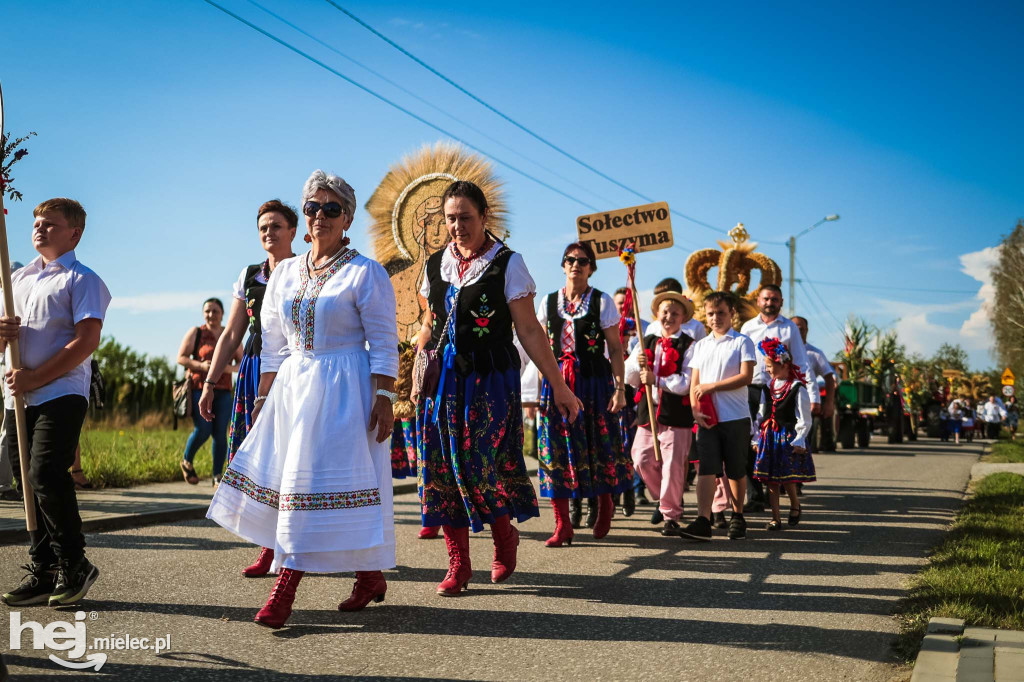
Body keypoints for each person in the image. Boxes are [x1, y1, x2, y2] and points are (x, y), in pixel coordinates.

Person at [206, 170, 400, 628]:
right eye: (313, 208)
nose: (320, 217)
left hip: (344, 388)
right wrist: (263, 398)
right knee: (305, 484)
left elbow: (384, 341)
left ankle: (284, 589)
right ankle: (369, 576)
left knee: (310, 485)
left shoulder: (364, 272)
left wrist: (386, 397)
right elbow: (272, 344)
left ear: (347, 217)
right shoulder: (287, 272)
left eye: (332, 209)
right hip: (294, 387)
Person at [415, 180, 581, 595]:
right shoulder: (434, 265)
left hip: (491, 379)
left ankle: (503, 534)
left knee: (479, 463)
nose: (457, 226)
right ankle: (458, 563)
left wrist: (557, 384)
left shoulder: (508, 263)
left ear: (484, 217)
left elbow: (529, 329)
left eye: (465, 218)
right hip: (446, 383)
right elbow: (429, 324)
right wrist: (418, 368)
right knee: (443, 467)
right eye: (450, 218)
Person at [0, 198, 110, 607]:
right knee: (27, 485)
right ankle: (44, 571)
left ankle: (74, 564)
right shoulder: (16, 280)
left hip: (60, 392)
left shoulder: (83, 279)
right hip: (17, 397)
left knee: (46, 472)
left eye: (51, 224)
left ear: (74, 233)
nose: (40, 228)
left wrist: (36, 376)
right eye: (38, 222)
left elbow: (86, 341)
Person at [198, 199, 297, 577]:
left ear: (293, 231)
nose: (269, 233)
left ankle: (292, 546)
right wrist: (210, 382)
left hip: (291, 372)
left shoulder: (304, 271)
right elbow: (231, 334)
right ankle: (268, 546)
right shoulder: (250, 275)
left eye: (276, 226)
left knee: (289, 459)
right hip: (254, 370)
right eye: (263, 228)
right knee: (260, 461)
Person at [536, 241, 630, 546]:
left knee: (598, 446)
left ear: (591, 267)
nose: (576, 264)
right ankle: (563, 524)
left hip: (593, 384)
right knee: (556, 450)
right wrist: (542, 390)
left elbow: (615, 349)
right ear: (563, 264)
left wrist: (619, 389)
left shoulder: (602, 302)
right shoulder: (547, 303)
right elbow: (540, 350)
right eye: (570, 259)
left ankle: (605, 505)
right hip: (557, 384)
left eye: (583, 260)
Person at [680, 291, 756, 541]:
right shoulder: (700, 345)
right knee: (706, 470)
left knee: (735, 469)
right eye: (711, 313)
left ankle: (738, 516)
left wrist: (713, 387)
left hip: (735, 416)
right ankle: (703, 520)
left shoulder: (742, 342)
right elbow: (695, 384)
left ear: (732, 313)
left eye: (721, 312)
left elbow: (746, 377)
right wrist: (695, 410)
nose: (715, 318)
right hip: (707, 419)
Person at [624, 291, 696, 536]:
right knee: (641, 459)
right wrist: (637, 364)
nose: (668, 316)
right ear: (658, 314)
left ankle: (671, 515)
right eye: (665, 311)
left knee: (673, 467)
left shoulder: (689, 344)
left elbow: (687, 382)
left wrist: (659, 380)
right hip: (648, 413)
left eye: (675, 313)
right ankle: (667, 499)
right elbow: (631, 378)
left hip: (676, 416)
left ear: (683, 317)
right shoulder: (647, 341)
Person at [739, 285, 808, 512]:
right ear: (758, 301)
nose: (770, 302)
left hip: (778, 392)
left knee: (776, 442)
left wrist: (800, 391)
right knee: (751, 440)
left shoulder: (789, 329)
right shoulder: (748, 327)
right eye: (766, 298)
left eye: (775, 299)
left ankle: (782, 487)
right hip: (751, 388)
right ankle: (755, 494)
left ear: (781, 302)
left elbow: (799, 360)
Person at [177, 298, 242, 487]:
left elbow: (242, 361)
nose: (211, 315)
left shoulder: (229, 335)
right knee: (203, 429)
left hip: (223, 391)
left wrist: (225, 369)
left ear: (223, 313)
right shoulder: (197, 333)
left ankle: (217, 476)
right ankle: (187, 461)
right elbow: (181, 357)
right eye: (207, 311)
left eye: (215, 311)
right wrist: (201, 365)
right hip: (200, 389)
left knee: (221, 434)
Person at [752, 338, 814, 531]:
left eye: (770, 366)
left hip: (786, 437)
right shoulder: (767, 387)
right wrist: (756, 436)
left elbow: (804, 418)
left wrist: (800, 438)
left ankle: (795, 504)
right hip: (769, 437)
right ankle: (775, 518)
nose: (767, 370)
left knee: (787, 478)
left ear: (784, 364)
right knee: (770, 480)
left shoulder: (797, 388)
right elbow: (761, 414)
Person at [613, 286, 647, 515]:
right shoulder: (606, 353)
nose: (623, 338)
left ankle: (632, 494)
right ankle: (612, 498)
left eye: (626, 334)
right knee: (611, 456)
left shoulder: (639, 342)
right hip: (610, 411)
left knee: (630, 455)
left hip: (630, 413)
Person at [791, 316, 836, 453]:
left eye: (802, 329)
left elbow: (829, 377)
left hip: (805, 401)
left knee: (802, 444)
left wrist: (828, 403)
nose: (798, 331)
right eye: (795, 328)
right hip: (783, 400)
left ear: (807, 330)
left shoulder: (815, 353)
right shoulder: (782, 350)